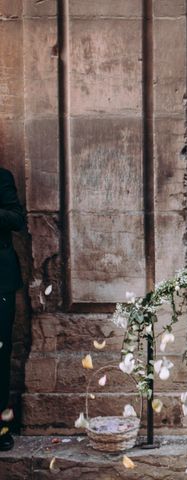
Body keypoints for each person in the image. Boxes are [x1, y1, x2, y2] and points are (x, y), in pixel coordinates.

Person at [0, 167, 26, 452]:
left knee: (0, 356)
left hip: (0, 284)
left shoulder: (2, 177)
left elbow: (16, 218)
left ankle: (1, 428)